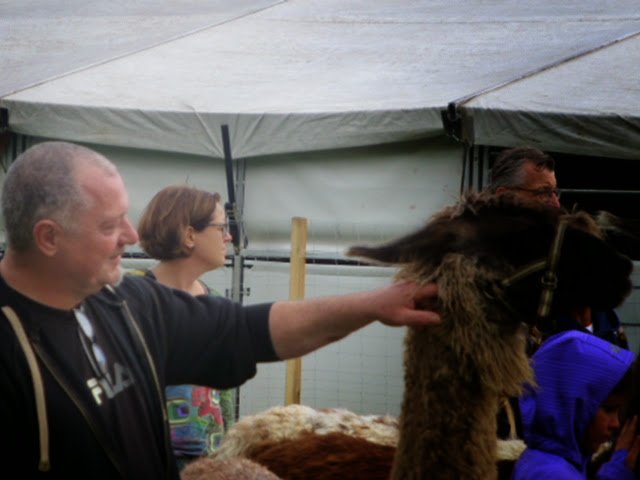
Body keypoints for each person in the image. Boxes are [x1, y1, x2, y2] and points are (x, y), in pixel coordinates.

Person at [0, 141, 440, 479]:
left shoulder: (130, 304)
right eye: (110, 225)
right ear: (49, 237)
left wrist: (372, 305)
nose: (131, 236)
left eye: (126, 217)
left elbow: (248, 331)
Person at [133, 185, 236, 470]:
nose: (228, 237)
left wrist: (229, 451)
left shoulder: (216, 301)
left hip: (210, 461)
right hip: (148, 460)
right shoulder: (133, 296)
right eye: (221, 228)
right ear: (189, 235)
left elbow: (224, 394)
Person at [488, 145, 628, 350]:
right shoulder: (482, 264)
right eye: (543, 193)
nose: (555, 204)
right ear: (504, 196)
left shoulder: (561, 245)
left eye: (555, 192)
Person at [512, 330, 640, 479]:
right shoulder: (552, 474)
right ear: (572, 406)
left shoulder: (548, 462)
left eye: (619, 410)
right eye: (609, 409)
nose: (616, 423)